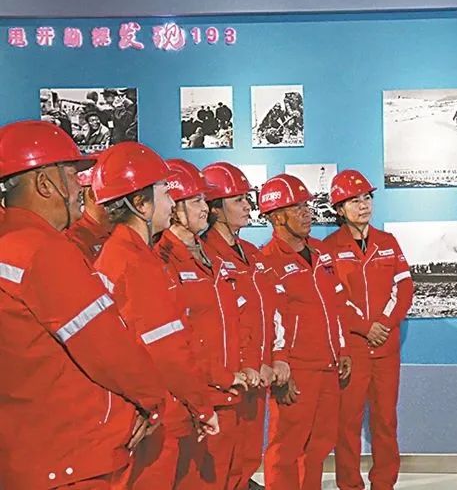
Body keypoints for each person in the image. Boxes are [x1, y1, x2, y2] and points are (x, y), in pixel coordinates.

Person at [0, 120, 166, 489]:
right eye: (73, 175)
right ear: (45, 183)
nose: (81, 186)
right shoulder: (40, 250)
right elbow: (106, 348)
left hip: (26, 455)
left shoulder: (10, 242)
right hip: (72, 458)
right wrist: (154, 402)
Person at [92, 141, 220, 489]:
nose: (172, 202)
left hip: (138, 410)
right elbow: (166, 349)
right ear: (140, 203)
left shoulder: (120, 253)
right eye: (165, 192)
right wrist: (201, 406)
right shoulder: (136, 263)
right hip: (156, 416)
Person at [259, 173, 362, 490]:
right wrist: (281, 372)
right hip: (296, 371)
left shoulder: (320, 253)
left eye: (308, 206)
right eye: (298, 208)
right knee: (286, 449)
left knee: (319, 445)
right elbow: (270, 321)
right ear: (277, 217)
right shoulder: (267, 261)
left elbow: (335, 303)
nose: (308, 213)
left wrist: (342, 349)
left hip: (328, 369)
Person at [155, 159, 250, 489]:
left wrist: (240, 368)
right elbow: (179, 337)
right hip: (196, 400)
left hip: (228, 393)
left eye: (205, 201)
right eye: (196, 201)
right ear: (174, 206)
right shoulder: (162, 260)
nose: (205, 209)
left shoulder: (212, 257)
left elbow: (234, 317)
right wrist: (220, 376)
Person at [324, 170, 414, 490]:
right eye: (354, 200)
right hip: (352, 351)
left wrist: (384, 325)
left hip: (386, 348)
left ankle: (384, 483)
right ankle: (349, 484)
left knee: (385, 421)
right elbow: (333, 297)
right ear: (339, 209)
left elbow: (404, 288)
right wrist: (364, 327)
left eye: (367, 198)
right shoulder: (328, 248)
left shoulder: (388, 243)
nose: (363, 205)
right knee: (347, 423)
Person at [202, 162, 286, 490]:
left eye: (247, 199)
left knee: (247, 457)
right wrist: (250, 363)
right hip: (231, 378)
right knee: (219, 462)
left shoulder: (253, 254)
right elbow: (222, 322)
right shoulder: (206, 255)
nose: (248, 206)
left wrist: (277, 357)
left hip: (258, 377)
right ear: (215, 208)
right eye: (238, 200)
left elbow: (273, 309)